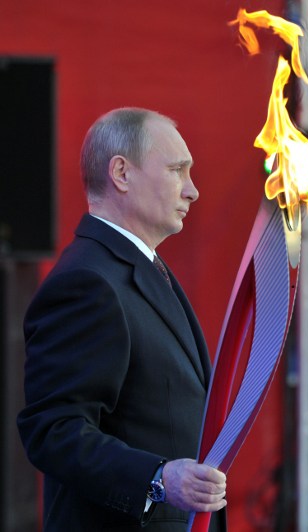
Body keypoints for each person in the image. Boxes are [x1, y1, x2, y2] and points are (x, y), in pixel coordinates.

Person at [17, 108, 227, 531]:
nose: (193, 191)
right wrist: (158, 478)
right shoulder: (87, 282)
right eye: (176, 171)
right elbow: (53, 430)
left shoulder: (135, 269)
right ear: (121, 173)